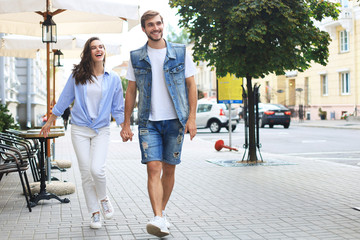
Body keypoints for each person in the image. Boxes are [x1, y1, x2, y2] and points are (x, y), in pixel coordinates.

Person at [120, 10, 197, 238]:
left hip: (176, 120)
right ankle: (158, 217)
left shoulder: (181, 53)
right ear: (143, 29)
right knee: (153, 167)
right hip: (148, 121)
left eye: (158, 23)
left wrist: (192, 118)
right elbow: (131, 91)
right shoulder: (136, 57)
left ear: (163, 25)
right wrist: (126, 123)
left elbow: (191, 86)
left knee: (170, 169)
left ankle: (160, 214)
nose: (156, 28)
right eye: (150, 25)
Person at [40, 37, 124, 229]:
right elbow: (64, 99)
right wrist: (50, 122)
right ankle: (94, 213)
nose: (98, 49)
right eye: (94, 47)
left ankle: (103, 198)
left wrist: (124, 127)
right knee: (86, 173)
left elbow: (118, 107)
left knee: (97, 170)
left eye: (101, 46)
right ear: (89, 52)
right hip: (79, 130)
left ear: (104, 52)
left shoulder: (113, 78)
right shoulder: (78, 75)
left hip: (101, 129)